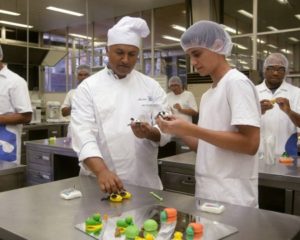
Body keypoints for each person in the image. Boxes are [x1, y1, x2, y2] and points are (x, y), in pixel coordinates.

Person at [156, 20, 261, 207]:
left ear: (218, 46)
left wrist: (192, 129)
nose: (193, 63)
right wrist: (179, 130)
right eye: (189, 56)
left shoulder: (236, 83)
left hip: (233, 197)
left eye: (197, 54)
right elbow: (206, 146)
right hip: (208, 192)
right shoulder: (208, 95)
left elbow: (250, 144)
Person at [71, 16, 170, 194]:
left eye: (132, 55)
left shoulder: (151, 86)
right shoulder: (88, 87)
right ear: (108, 51)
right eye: (119, 52)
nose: (125, 59)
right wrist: (101, 171)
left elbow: (166, 127)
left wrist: (150, 132)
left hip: (143, 182)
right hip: (100, 182)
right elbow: (82, 134)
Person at [256, 53, 300, 156]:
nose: (275, 73)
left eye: (281, 69)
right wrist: (258, 111)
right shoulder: (253, 91)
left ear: (286, 72)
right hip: (258, 155)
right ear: (264, 70)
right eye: (271, 68)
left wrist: (289, 112)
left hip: (287, 156)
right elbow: (241, 124)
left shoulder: (296, 93)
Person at [0, 45, 32, 164]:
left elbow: (26, 117)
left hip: (6, 143)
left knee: (5, 179)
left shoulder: (15, 82)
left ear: (0, 57)